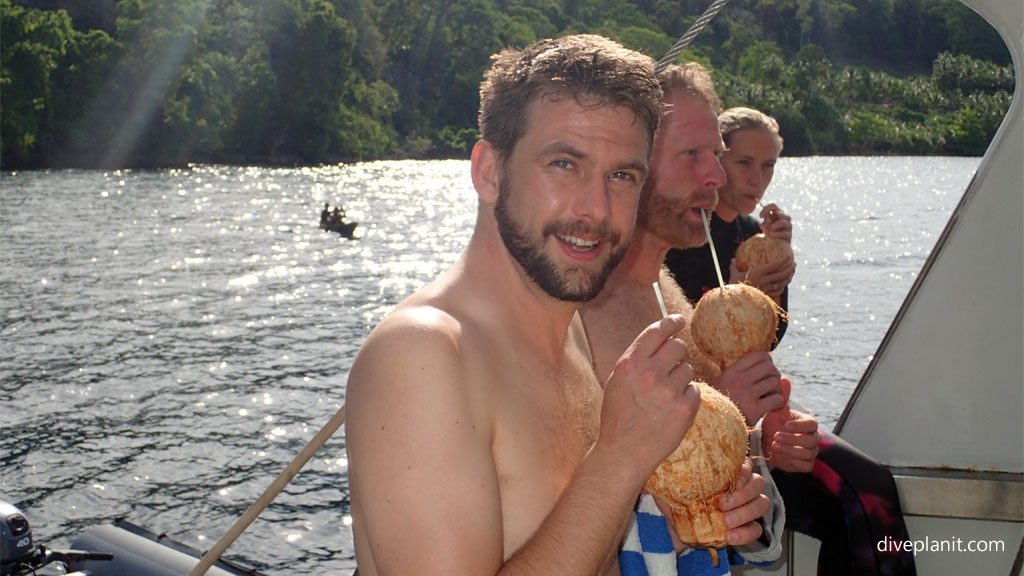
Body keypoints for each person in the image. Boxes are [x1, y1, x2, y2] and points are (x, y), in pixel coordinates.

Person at [345, 35, 771, 576]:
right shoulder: (422, 354)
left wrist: (681, 522)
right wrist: (620, 457)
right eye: (565, 164)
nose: (595, 209)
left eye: (622, 176)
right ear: (489, 172)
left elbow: (574, 544)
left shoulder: (569, 333)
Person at [585, 88, 916, 575]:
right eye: (694, 154)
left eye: (716, 156)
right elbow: (598, 487)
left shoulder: (662, 285)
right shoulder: (587, 306)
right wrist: (728, 408)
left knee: (863, 501)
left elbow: (712, 426)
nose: (716, 177)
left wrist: (764, 442)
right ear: (632, 161)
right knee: (867, 499)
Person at [664, 107, 795, 344]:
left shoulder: (754, 233)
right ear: (716, 161)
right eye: (744, 163)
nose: (757, 179)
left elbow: (773, 338)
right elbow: (677, 335)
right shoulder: (680, 233)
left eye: (768, 165)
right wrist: (738, 295)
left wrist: (777, 260)